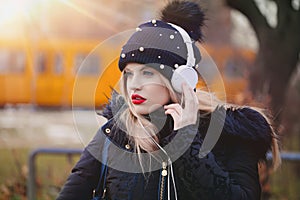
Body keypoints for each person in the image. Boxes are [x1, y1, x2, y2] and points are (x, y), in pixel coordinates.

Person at [57, 1, 281, 199]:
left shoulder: (229, 134)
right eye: (129, 73)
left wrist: (186, 140)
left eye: (147, 72)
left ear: (180, 79)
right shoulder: (113, 135)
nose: (134, 84)